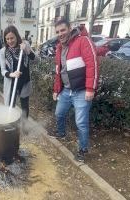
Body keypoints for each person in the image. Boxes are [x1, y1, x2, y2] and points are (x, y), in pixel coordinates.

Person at [51, 19, 99, 162]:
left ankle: (83, 150)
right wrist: (56, 89)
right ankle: (61, 133)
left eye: (63, 30)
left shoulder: (83, 41)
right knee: (59, 113)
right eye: (58, 32)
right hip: (66, 90)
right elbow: (59, 71)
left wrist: (90, 89)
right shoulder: (59, 47)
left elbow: (93, 65)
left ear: (70, 28)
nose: (60, 34)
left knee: (81, 123)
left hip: (81, 91)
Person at [0, 25, 35, 119]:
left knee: (24, 106)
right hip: (11, 83)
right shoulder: (3, 51)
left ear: (17, 36)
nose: (10, 41)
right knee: (10, 106)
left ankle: (24, 126)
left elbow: (36, 60)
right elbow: (3, 70)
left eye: (12, 38)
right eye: (7, 39)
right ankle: (11, 124)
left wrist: (27, 51)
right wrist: (12, 74)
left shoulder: (25, 45)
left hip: (25, 81)